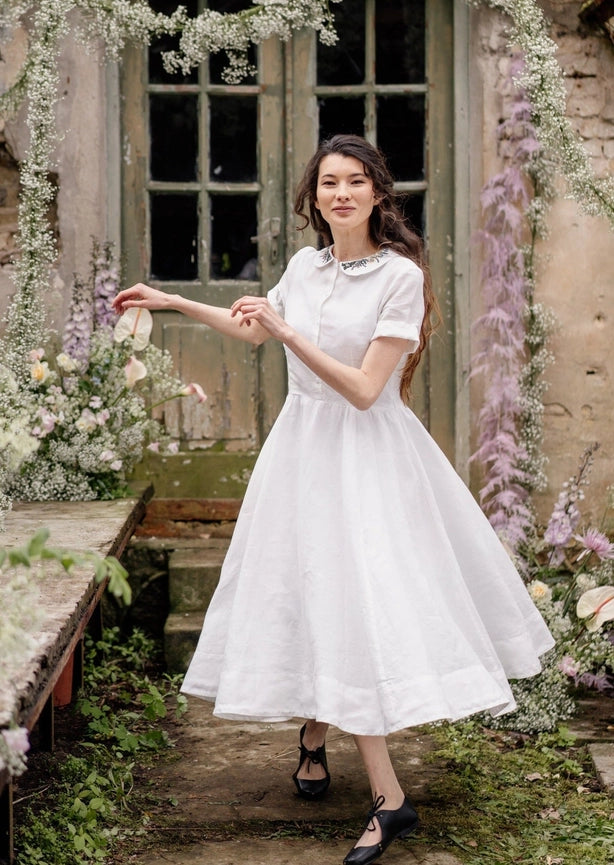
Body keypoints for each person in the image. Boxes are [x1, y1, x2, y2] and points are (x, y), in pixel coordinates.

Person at [113, 134, 554, 865]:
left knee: (356, 606)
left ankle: (390, 800)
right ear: (313, 198)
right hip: (302, 449)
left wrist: (287, 329)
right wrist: (174, 300)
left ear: (378, 193)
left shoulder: (400, 278)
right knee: (309, 585)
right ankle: (315, 736)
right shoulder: (305, 267)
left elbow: (361, 388)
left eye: (355, 181)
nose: (341, 193)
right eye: (327, 183)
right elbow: (254, 331)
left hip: (369, 454)